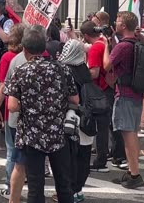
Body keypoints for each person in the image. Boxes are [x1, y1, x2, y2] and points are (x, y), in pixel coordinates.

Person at [5, 26, 79, 203]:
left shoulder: (21, 71)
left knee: (35, 185)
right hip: (58, 133)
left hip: (32, 134)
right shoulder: (62, 69)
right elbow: (75, 99)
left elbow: (12, 106)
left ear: (25, 49)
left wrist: (29, 105)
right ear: (44, 47)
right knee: (63, 183)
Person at [103, 11, 144, 189]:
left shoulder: (122, 47)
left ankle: (135, 175)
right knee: (132, 133)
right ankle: (132, 170)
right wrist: (112, 40)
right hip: (136, 93)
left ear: (123, 26)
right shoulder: (136, 43)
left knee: (128, 135)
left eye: (118, 20)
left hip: (125, 95)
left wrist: (106, 45)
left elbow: (107, 65)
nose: (115, 22)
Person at [80, 20, 126, 172]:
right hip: (109, 87)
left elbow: (94, 72)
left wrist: (80, 73)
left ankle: (101, 160)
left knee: (101, 126)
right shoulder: (104, 43)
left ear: (86, 35)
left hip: (100, 89)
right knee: (109, 124)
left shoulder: (96, 48)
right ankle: (114, 154)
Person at [58, 39, 94, 203]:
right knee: (84, 156)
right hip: (87, 117)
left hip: (70, 118)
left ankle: (70, 191)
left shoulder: (65, 70)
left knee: (69, 157)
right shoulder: (84, 69)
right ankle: (78, 190)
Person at [0, 23, 26, 200]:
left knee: (11, 150)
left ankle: (9, 185)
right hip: (31, 111)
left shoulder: (8, 57)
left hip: (12, 109)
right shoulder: (36, 55)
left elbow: (2, 84)